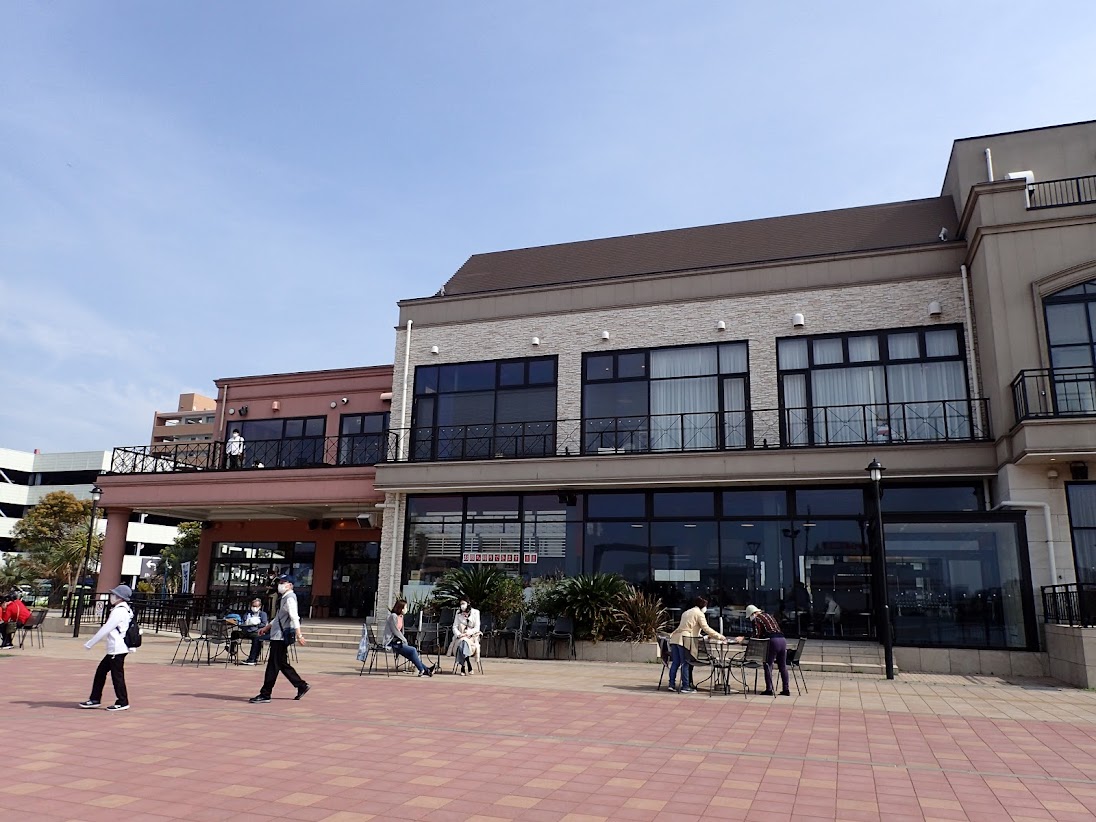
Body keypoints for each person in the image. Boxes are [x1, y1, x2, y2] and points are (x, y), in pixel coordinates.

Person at [249, 574, 309, 703]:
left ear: (290, 585)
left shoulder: (290, 598)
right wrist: (267, 627)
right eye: (280, 582)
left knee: (273, 665)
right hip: (277, 634)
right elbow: (279, 617)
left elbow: (294, 617)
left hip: (281, 636)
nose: (280, 585)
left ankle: (265, 694)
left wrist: (299, 635)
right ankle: (301, 685)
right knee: (281, 663)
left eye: (283, 582)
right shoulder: (284, 598)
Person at [79, 585, 135, 711]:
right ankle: (95, 699)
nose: (112, 596)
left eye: (114, 594)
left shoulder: (118, 611)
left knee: (117, 676)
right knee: (101, 672)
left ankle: (122, 701)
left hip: (116, 648)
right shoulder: (127, 610)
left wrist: (90, 643)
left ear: (120, 597)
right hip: (120, 648)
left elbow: (106, 628)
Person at [668, 596, 725, 694]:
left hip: (675, 638)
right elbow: (706, 628)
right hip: (685, 640)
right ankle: (685, 686)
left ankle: (671, 684)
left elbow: (689, 628)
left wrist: (702, 636)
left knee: (675, 663)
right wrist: (720, 637)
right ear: (703, 606)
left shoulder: (686, 612)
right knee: (685, 663)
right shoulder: (699, 614)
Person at [736, 604, 790, 696]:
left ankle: (769, 689)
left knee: (768, 665)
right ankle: (786, 689)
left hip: (772, 641)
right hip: (782, 640)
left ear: (752, 614)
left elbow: (756, 635)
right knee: (783, 666)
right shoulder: (769, 616)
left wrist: (744, 639)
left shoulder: (757, 619)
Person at [384, 599, 436, 677]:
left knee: (411, 654)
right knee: (413, 650)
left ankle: (426, 670)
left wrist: (403, 641)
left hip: (398, 642)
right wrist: (404, 640)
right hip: (391, 642)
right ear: (400, 608)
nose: (406, 609)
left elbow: (401, 631)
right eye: (405, 607)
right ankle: (422, 670)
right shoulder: (393, 616)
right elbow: (395, 631)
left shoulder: (401, 617)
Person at [447, 598, 481, 675]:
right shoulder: (458, 613)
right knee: (463, 641)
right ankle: (468, 663)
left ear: (468, 603)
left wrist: (468, 633)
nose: (462, 606)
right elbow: (454, 627)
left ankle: (463, 666)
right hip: (460, 636)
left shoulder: (476, 612)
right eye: (461, 604)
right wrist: (459, 634)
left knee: (464, 643)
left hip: (472, 637)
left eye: (463, 603)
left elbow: (477, 628)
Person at [240, 597, 269, 665]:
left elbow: (263, 624)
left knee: (257, 638)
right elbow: (243, 621)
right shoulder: (247, 613)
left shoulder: (263, 614)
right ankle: (232, 650)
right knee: (234, 634)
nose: (254, 608)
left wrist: (255, 624)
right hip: (246, 631)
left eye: (256, 606)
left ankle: (252, 659)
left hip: (256, 631)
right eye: (253, 606)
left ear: (260, 606)